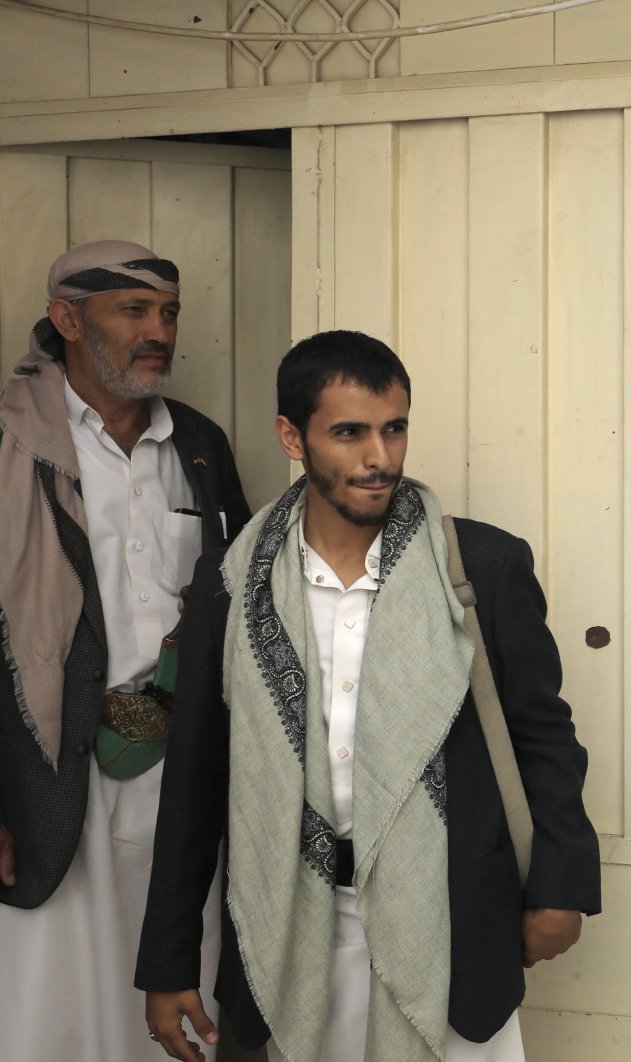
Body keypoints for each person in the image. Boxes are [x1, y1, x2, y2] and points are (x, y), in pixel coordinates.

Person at [137, 330, 601, 1062]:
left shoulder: (481, 566)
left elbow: (543, 735)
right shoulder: (230, 587)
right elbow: (194, 780)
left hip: (449, 923)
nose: (378, 457)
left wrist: (561, 883)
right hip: (288, 926)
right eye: (349, 433)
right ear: (292, 435)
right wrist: (166, 962)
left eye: (393, 429)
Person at [0, 240, 251, 1060]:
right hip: (45, 767)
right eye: (133, 310)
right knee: (50, 997)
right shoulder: (12, 442)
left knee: (183, 973)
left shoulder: (199, 446)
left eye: (169, 313)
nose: (159, 331)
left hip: (180, 770)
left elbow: (240, 603)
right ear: (67, 319)